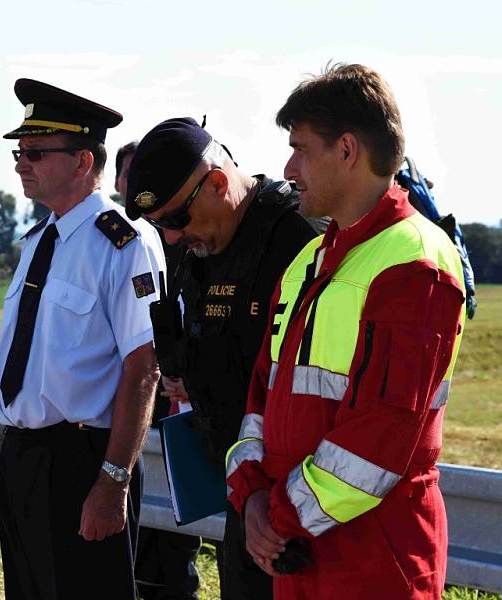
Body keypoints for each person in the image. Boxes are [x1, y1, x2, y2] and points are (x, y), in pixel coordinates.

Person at [226, 63, 465, 599]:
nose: (288, 168)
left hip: (373, 560)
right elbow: (260, 394)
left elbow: (378, 439)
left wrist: (275, 516)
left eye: (301, 149)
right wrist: (252, 496)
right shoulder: (310, 259)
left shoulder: (415, 264)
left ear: (348, 150)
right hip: (298, 551)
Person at [125, 117, 323, 600]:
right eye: (160, 227)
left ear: (217, 183)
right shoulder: (200, 247)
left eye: (175, 221)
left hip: (304, 506)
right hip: (244, 492)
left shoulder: (299, 236)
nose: (171, 239)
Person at [0, 78, 165, 600]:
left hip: (83, 460)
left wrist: (113, 481)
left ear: (84, 161)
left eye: (37, 152)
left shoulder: (123, 241)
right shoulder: (39, 239)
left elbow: (144, 368)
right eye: (20, 152)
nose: (22, 163)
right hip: (23, 456)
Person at [119, 140, 202, 600]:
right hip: (125, 425)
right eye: (133, 180)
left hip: (176, 420)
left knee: (169, 564)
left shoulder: (192, 246)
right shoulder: (114, 247)